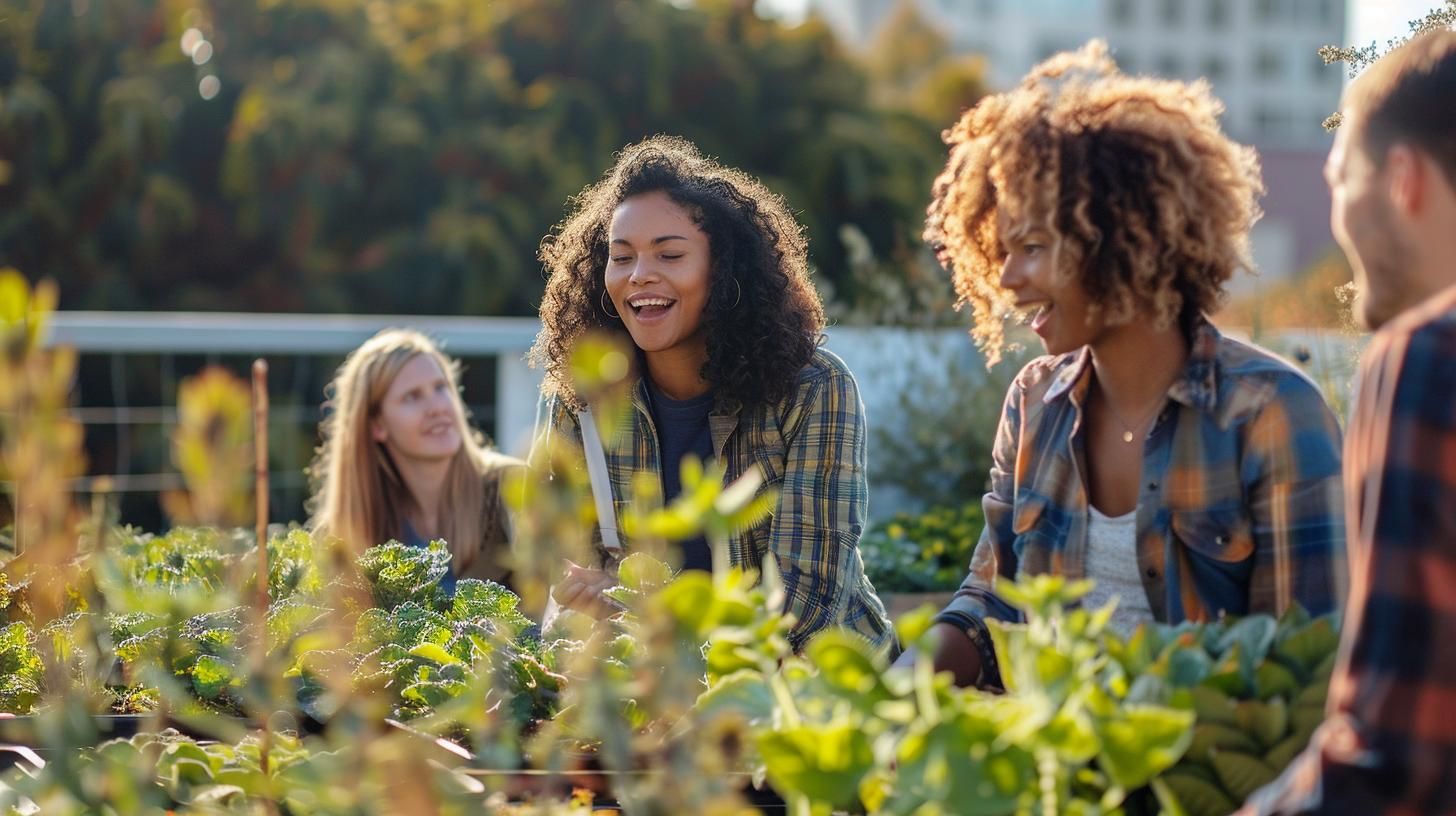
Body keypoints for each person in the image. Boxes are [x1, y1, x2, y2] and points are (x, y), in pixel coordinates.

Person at [899, 41, 1346, 688]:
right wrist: (899, 682)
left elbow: (1306, 671)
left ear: (1124, 239)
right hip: (1055, 768)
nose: (1007, 276)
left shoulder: (1273, 415)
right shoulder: (1033, 402)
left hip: (1214, 782)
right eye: (1001, 248)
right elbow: (992, 602)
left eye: (1031, 246)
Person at [530, 135, 892, 653]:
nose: (640, 275)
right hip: (649, 683)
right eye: (621, 256)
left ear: (725, 271)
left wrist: (637, 603)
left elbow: (801, 607)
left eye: (670, 254)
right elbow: (566, 565)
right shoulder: (585, 397)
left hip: (811, 693)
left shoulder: (815, 391)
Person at [1242, 30, 1456, 815]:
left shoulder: (1430, 359)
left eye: (1341, 176)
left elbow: (1391, 760)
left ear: (1402, 180)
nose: (1338, 214)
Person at [309, 328, 521, 593]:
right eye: (412, 396)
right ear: (376, 425)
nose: (437, 407)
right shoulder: (345, 529)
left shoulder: (514, 485)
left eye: (440, 388)